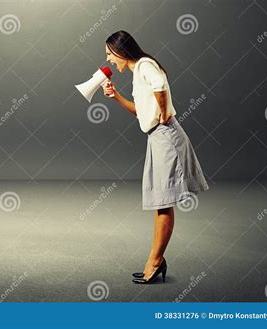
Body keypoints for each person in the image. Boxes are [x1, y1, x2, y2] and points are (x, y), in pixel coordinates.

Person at [102, 30, 209, 284]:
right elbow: (140, 113)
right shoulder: (138, 72)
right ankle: (155, 260)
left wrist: (162, 114)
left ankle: (155, 261)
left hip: (165, 136)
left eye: (109, 54)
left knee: (163, 202)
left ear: (120, 50)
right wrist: (116, 96)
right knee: (162, 201)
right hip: (156, 137)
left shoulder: (144, 65)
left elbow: (161, 86)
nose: (108, 60)